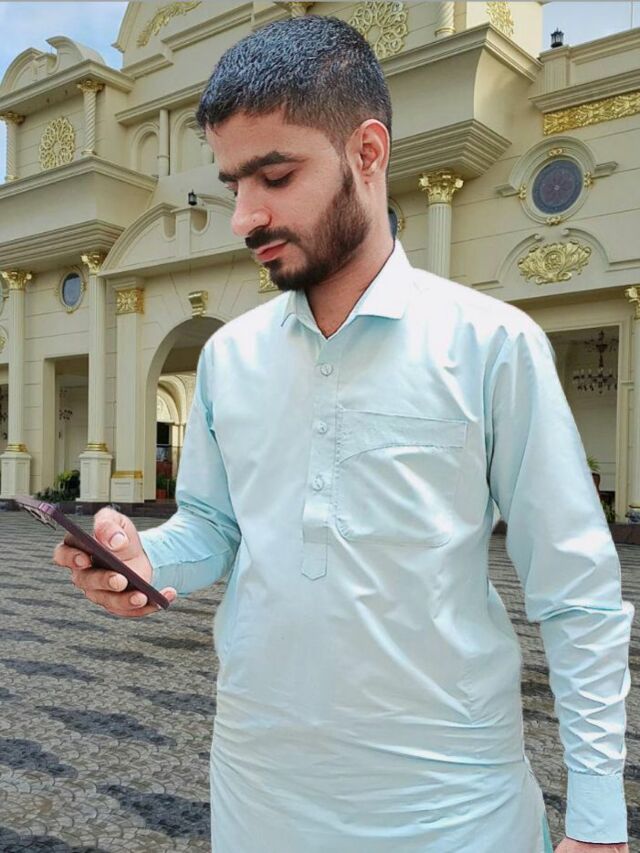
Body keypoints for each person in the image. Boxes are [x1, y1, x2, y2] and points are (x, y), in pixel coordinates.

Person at [53, 15, 633, 853]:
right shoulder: (229, 358)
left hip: (452, 807)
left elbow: (576, 590)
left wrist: (600, 821)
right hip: (259, 793)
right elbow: (216, 526)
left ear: (367, 152)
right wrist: (146, 557)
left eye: (275, 176)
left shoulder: (490, 344)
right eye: (232, 185)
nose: (244, 216)